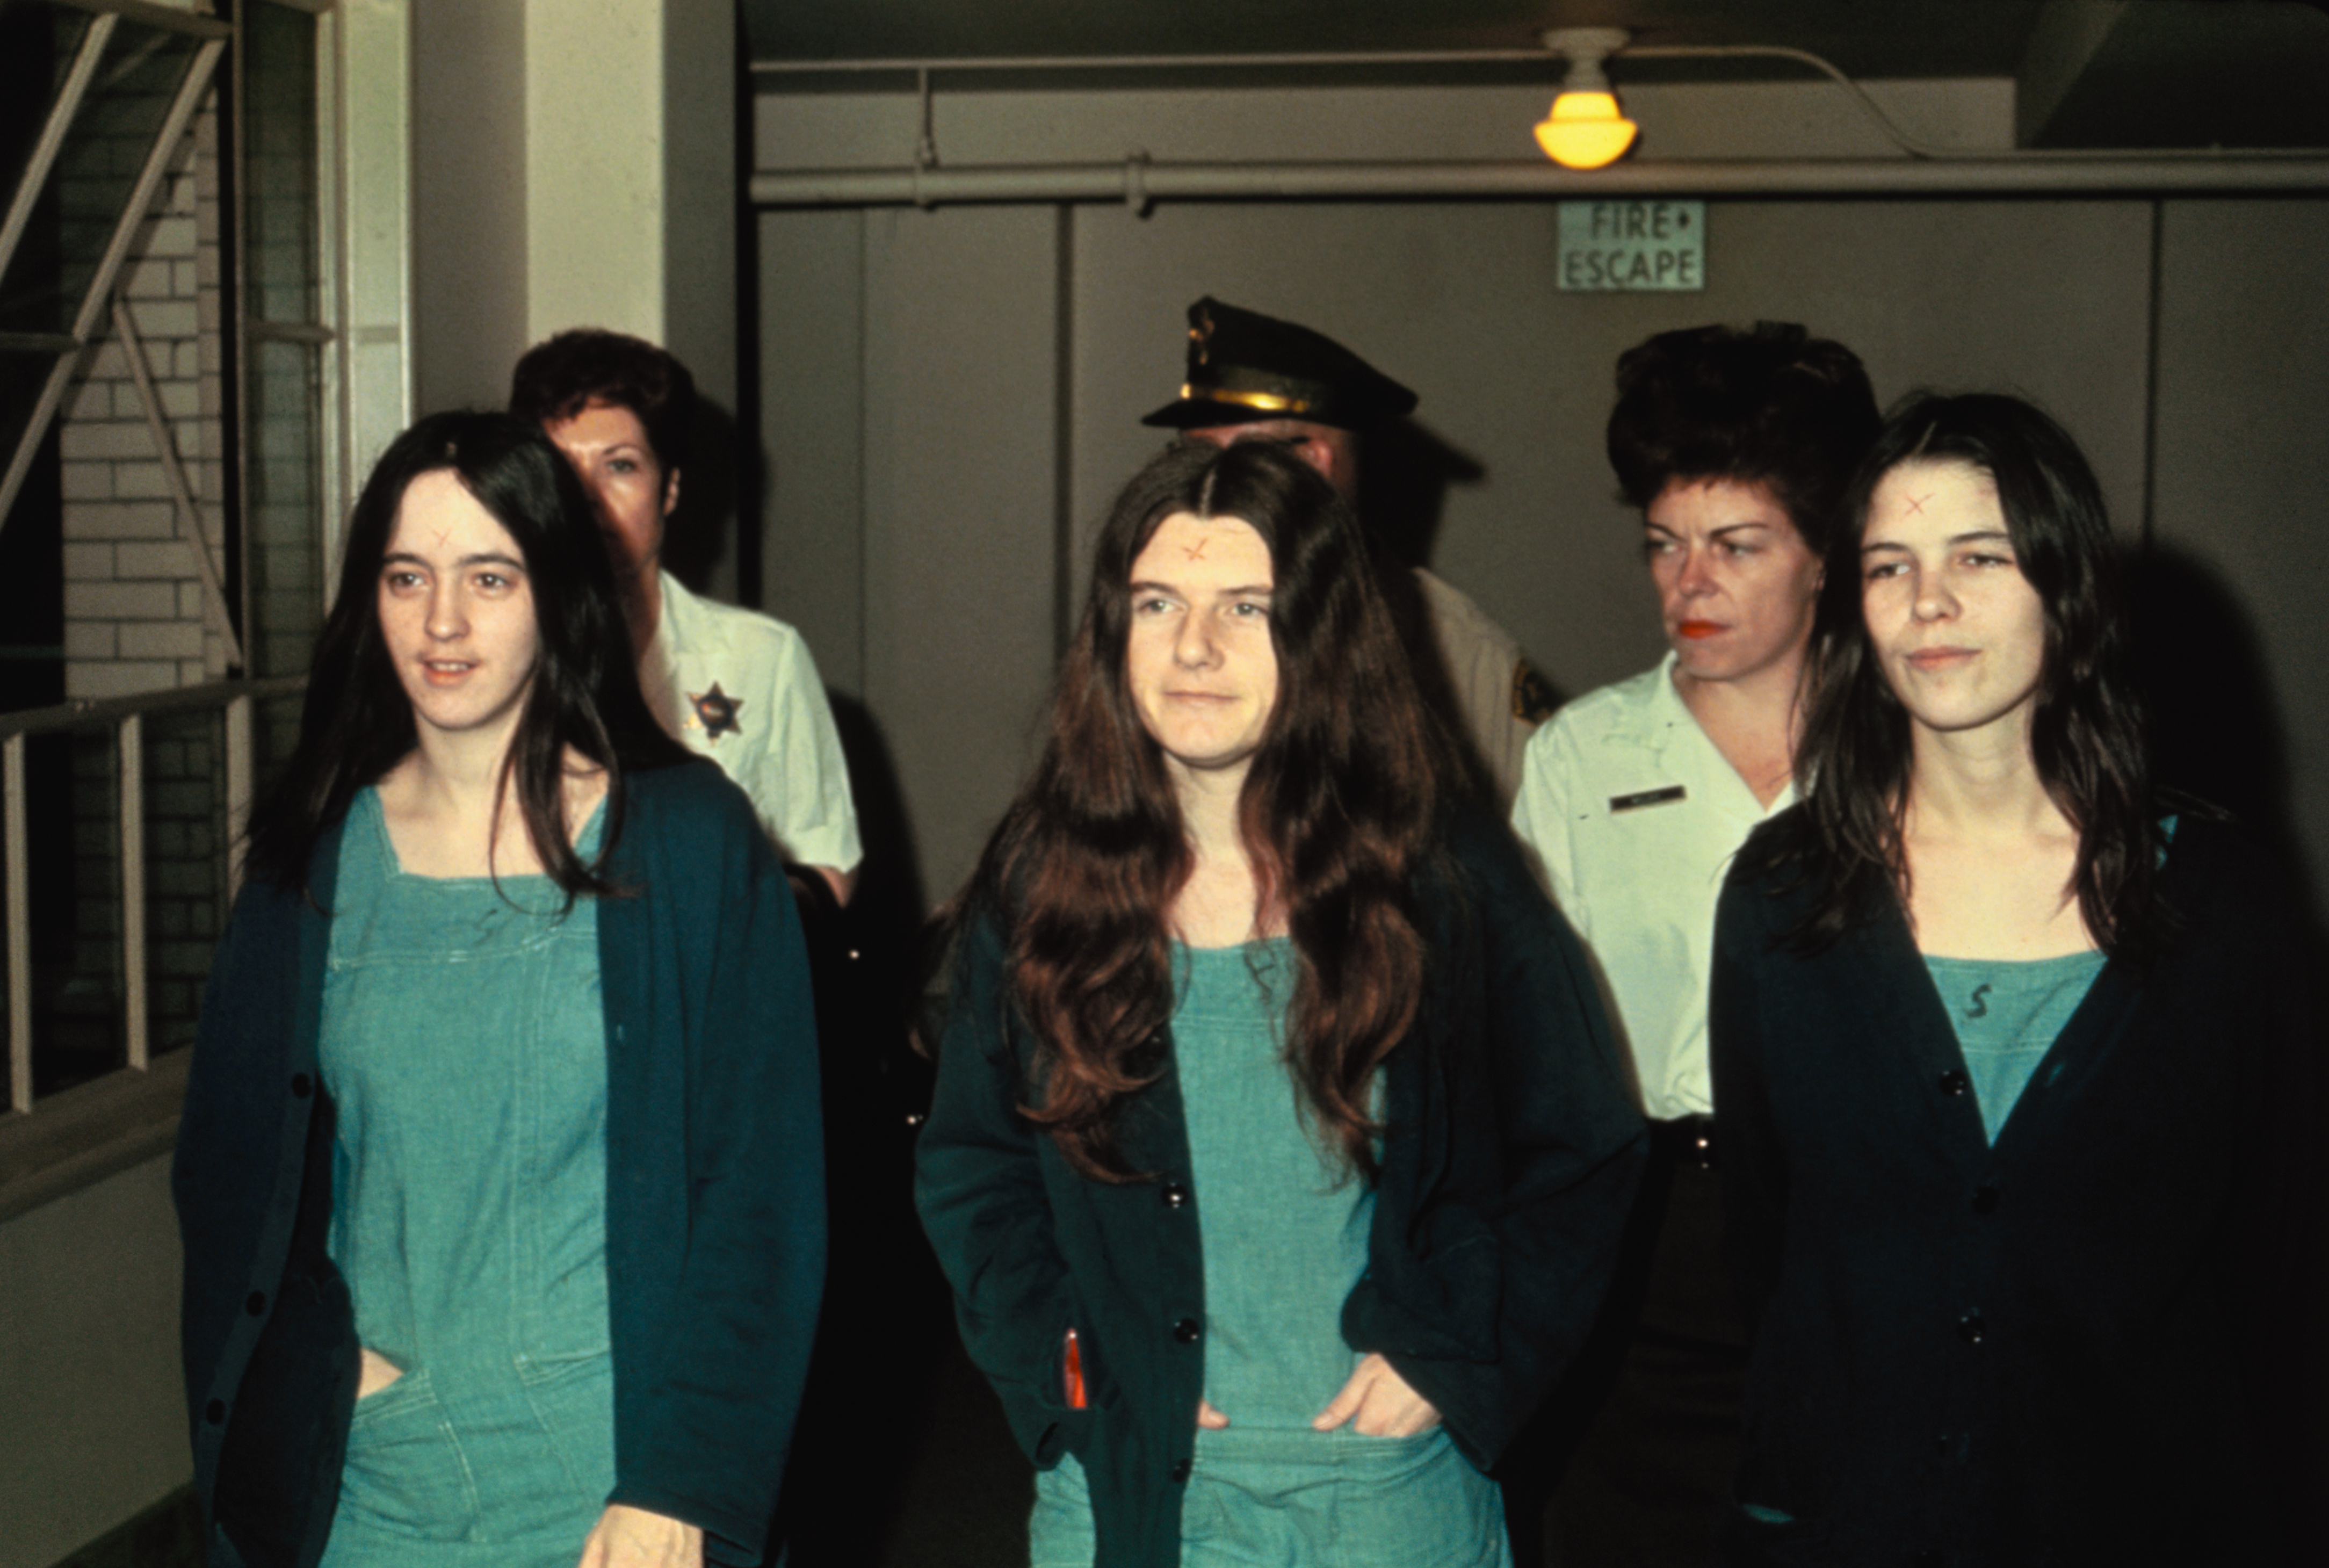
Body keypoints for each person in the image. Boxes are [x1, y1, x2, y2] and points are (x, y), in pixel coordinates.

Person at [914, 438, 1646, 1568]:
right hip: (1126, 1485)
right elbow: (973, 1166)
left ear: (1319, 631)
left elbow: (1578, 1145)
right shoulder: (1040, 880)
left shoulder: (1438, 874)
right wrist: (1070, 1363)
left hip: (1383, 1492)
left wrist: (1454, 1352)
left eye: (1246, 607)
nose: (1193, 647)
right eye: (1156, 602)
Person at [173, 411, 825, 1568]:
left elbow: (759, 1196)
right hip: (374, 1476)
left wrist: (684, 1475)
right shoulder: (310, 865)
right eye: (406, 576)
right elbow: (227, 1174)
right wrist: (329, 1367)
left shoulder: (685, 843)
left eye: (489, 576)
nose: (442, 622)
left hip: (614, 1486)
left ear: (554, 595)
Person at [1710, 393, 2309, 1563]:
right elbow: (1764, 1244)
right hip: (1849, 1523)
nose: (1928, 603)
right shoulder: (1782, 895)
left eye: (1977, 558)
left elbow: (2277, 1276)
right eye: (1889, 566)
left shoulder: (2226, 905)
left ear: (2062, 585)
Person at [1507, 322, 1877, 1565]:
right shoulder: (1584, 755)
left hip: (1860, 1211)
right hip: (1650, 1229)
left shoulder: (1905, 753)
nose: (1688, 584)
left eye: (1735, 545)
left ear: (1825, 558)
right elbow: (1524, 1034)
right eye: (1665, 546)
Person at [1143, 295, 1552, 805]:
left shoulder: (1459, 657)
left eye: (1240, 462)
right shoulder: (1152, 631)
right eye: (1192, 458)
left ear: (1315, 463)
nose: (1208, 486)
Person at [511, 328, 862, 903]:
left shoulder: (762, 656)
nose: (588, 499)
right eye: (560, 469)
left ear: (669, 489)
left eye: (620, 466)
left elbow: (826, 867)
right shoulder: (488, 655)